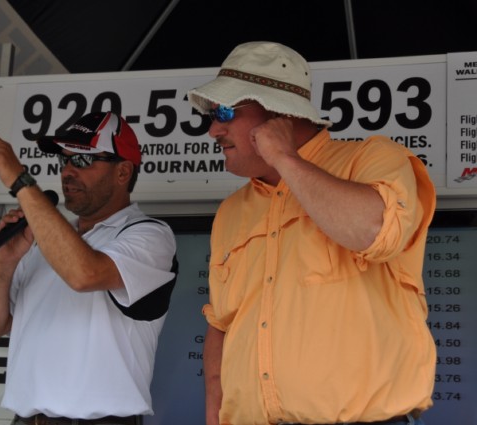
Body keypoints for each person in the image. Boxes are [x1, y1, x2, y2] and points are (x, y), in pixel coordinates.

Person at [187, 42, 436, 425]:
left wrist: (284, 158)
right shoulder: (232, 211)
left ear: (277, 112)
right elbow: (222, 323)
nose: (213, 130)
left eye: (225, 112)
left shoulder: (372, 159)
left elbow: (373, 230)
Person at [0, 111, 178, 425]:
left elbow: (84, 275)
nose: (68, 171)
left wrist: (21, 182)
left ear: (123, 172)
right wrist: (5, 262)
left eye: (82, 160)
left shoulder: (149, 234)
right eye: (64, 161)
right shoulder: (43, 240)